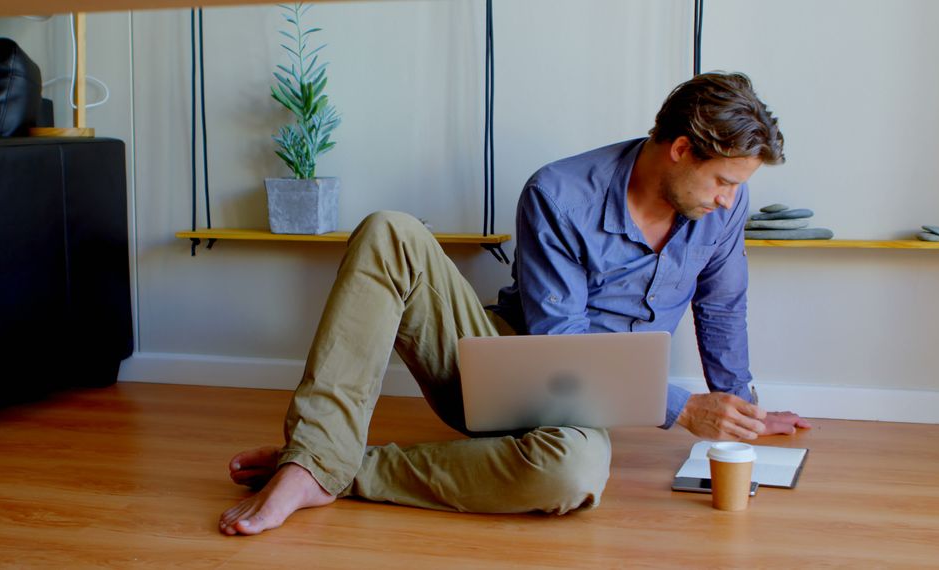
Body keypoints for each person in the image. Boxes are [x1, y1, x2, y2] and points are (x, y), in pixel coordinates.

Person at [219, 71, 811, 536]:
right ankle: (315, 459)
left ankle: (329, 469)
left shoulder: (722, 211)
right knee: (388, 231)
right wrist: (684, 410)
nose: (732, 200)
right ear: (682, 149)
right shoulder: (559, 192)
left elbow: (722, 306)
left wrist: (741, 411)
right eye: (724, 182)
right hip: (510, 364)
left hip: (582, 409)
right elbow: (560, 347)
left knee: (572, 473)